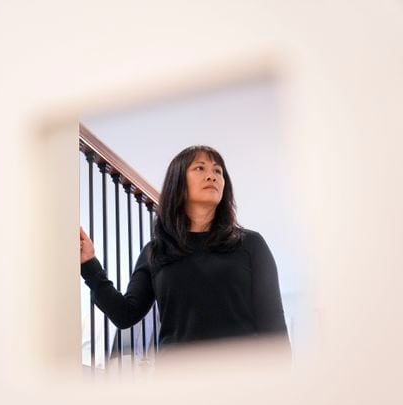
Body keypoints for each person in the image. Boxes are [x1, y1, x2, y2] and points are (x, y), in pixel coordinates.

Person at [80, 145, 290, 353]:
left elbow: (274, 328)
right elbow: (124, 315)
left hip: (241, 378)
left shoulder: (250, 244)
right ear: (178, 182)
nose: (212, 176)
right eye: (200, 168)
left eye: (218, 171)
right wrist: (89, 264)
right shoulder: (156, 251)